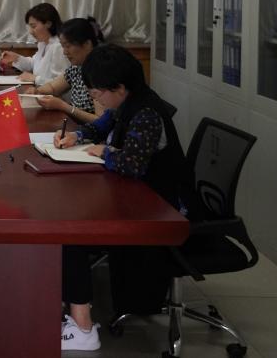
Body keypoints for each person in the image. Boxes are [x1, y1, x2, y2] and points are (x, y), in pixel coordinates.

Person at [54, 43, 193, 352]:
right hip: (139, 198)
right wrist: (77, 136)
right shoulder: (126, 103)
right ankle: (71, 303)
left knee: (70, 232)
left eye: (97, 93)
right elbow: (99, 127)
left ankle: (82, 327)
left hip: (160, 210)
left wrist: (106, 152)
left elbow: (131, 165)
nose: (96, 99)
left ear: (118, 87)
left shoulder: (147, 113)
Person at [31, 16, 103, 124]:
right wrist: (37, 91)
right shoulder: (76, 69)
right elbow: (53, 87)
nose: (65, 52)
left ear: (87, 44)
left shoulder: (101, 72)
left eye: (68, 46)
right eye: (63, 46)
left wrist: (63, 106)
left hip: (92, 132)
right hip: (75, 129)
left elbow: (101, 121)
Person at [0, 3, 69, 86]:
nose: (31, 32)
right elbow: (34, 64)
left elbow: (62, 83)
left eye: (33, 26)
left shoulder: (59, 47)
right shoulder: (44, 43)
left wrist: (36, 79)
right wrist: (16, 58)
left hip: (50, 93)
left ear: (48, 24)